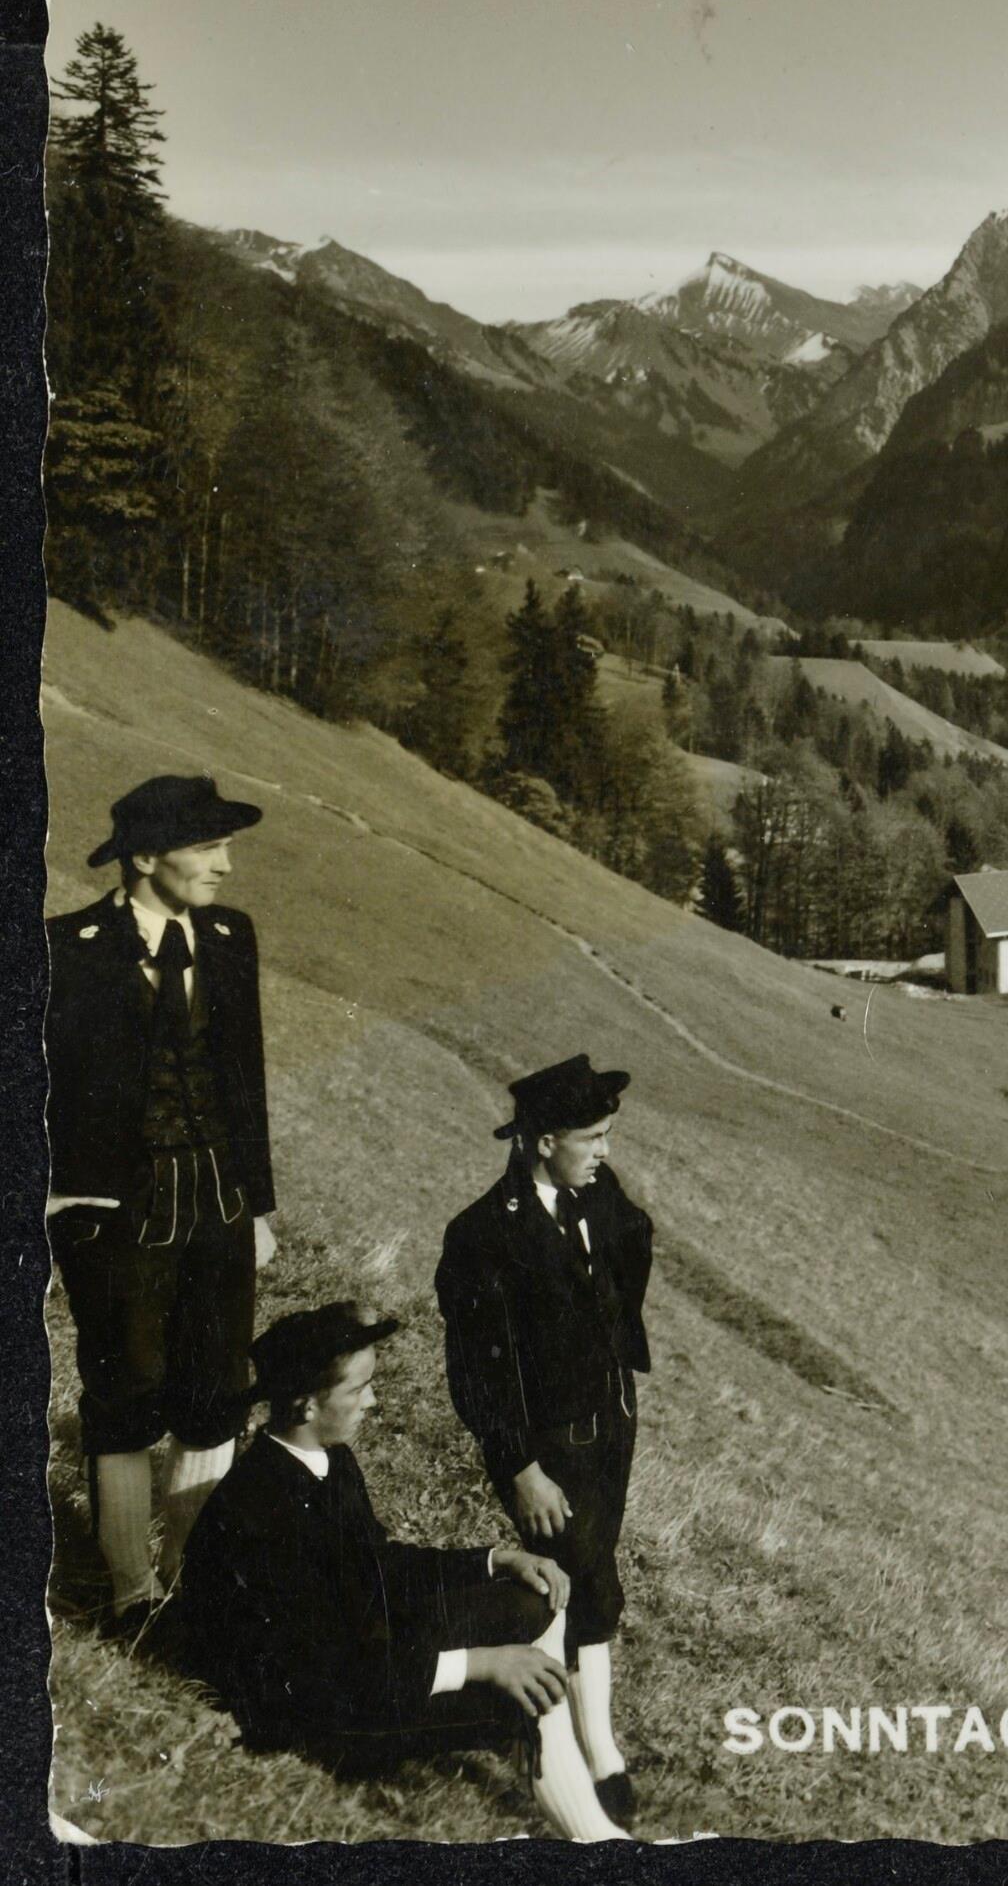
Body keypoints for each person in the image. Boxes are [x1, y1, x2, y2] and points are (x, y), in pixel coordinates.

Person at [177, 1302, 631, 1840]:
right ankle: (600, 1843)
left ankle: (578, 1792)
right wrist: (483, 1664)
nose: (373, 1401)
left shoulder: (328, 1460)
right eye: (358, 1389)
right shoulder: (262, 1507)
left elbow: (378, 1566)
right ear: (305, 1405)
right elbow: (325, 1671)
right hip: (310, 1717)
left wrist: (493, 1560)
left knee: (532, 1596)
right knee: (514, 1697)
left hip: (356, 1655)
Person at [45, 774, 280, 1615]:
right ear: (145, 857)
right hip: (118, 1212)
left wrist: (259, 1207)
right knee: (127, 1389)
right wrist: (49, 1195)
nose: (225, 865)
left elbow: (245, 1077)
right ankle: (130, 1591)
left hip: (219, 1200)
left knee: (216, 1389)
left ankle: (188, 1576)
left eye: (227, 846)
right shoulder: (63, 950)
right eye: (207, 847)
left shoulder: (229, 935)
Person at [434, 1055, 654, 1827]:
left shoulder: (598, 1193)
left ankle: (599, 1749)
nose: (606, 1152)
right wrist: (520, 1467)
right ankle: (570, 1762)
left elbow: (635, 1241)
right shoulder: (482, 1236)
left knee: (594, 1578)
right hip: (548, 1452)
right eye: (593, 1138)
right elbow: (478, 1373)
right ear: (544, 1141)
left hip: (610, 1425)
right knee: (562, 1589)